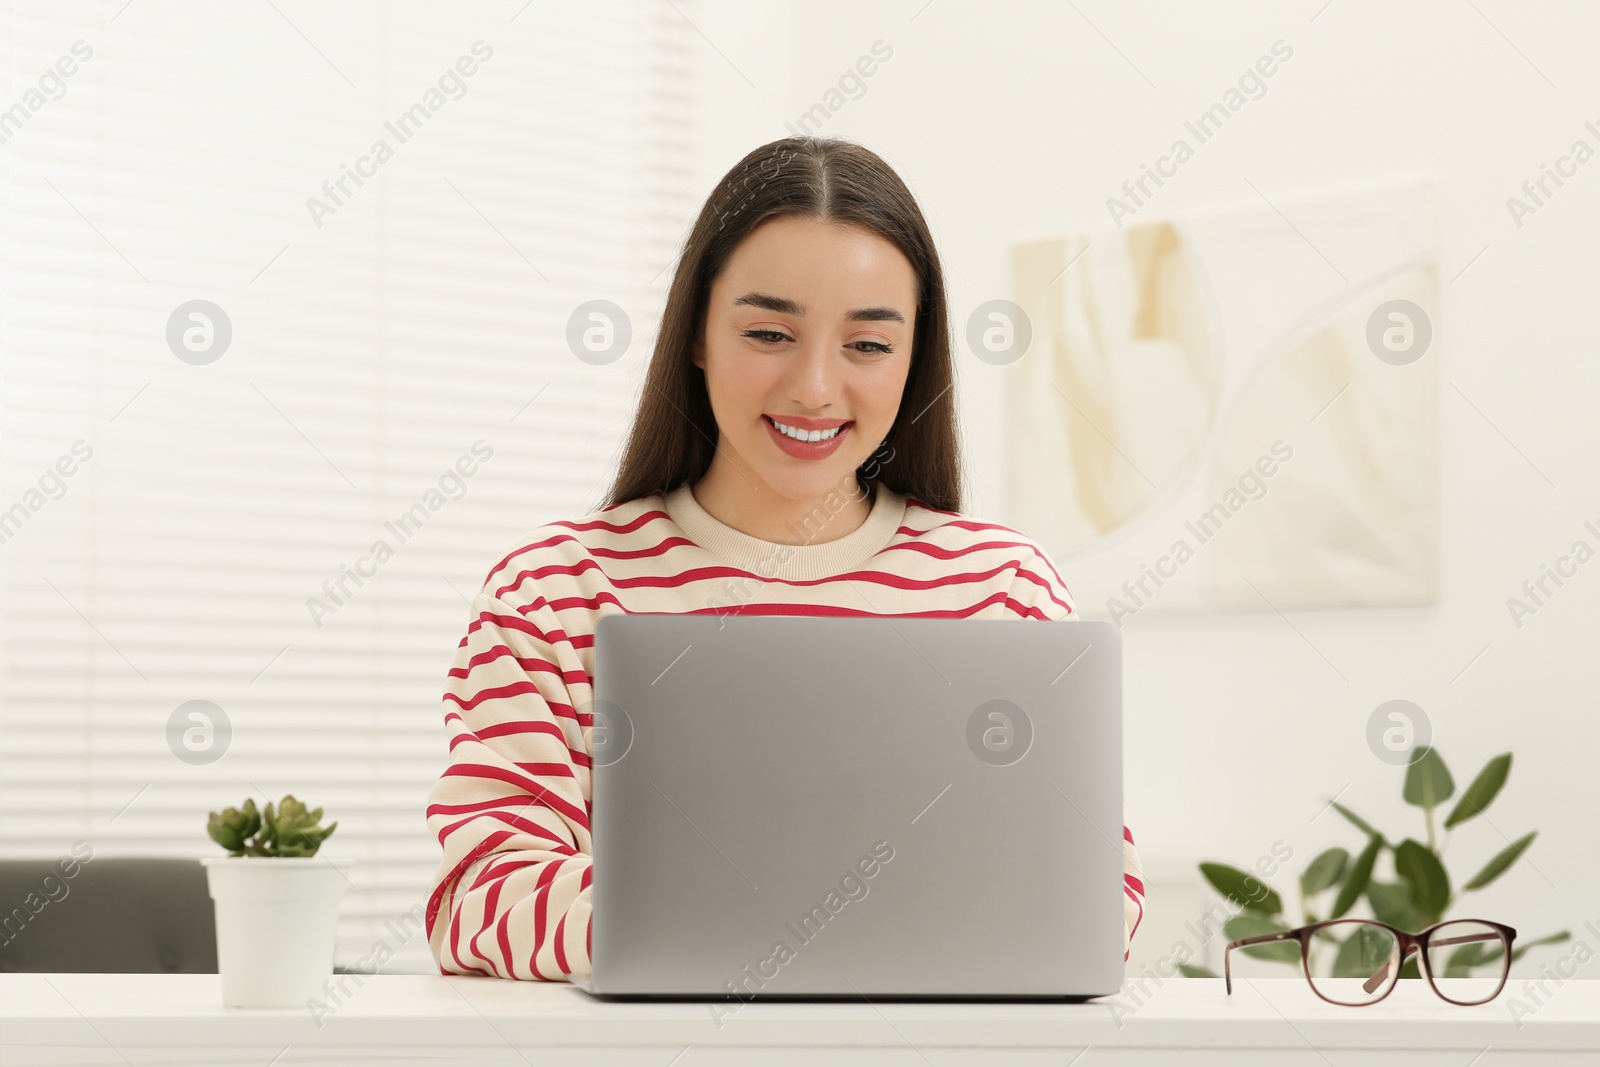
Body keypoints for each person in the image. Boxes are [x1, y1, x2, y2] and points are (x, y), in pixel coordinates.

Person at [423, 135, 1145, 980]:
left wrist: (722, 918)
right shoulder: (555, 591)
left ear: (915, 359)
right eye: (769, 332)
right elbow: (481, 898)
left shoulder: (1004, 589)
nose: (813, 386)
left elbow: (1095, 904)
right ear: (695, 335)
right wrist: (804, 923)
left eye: (868, 345)